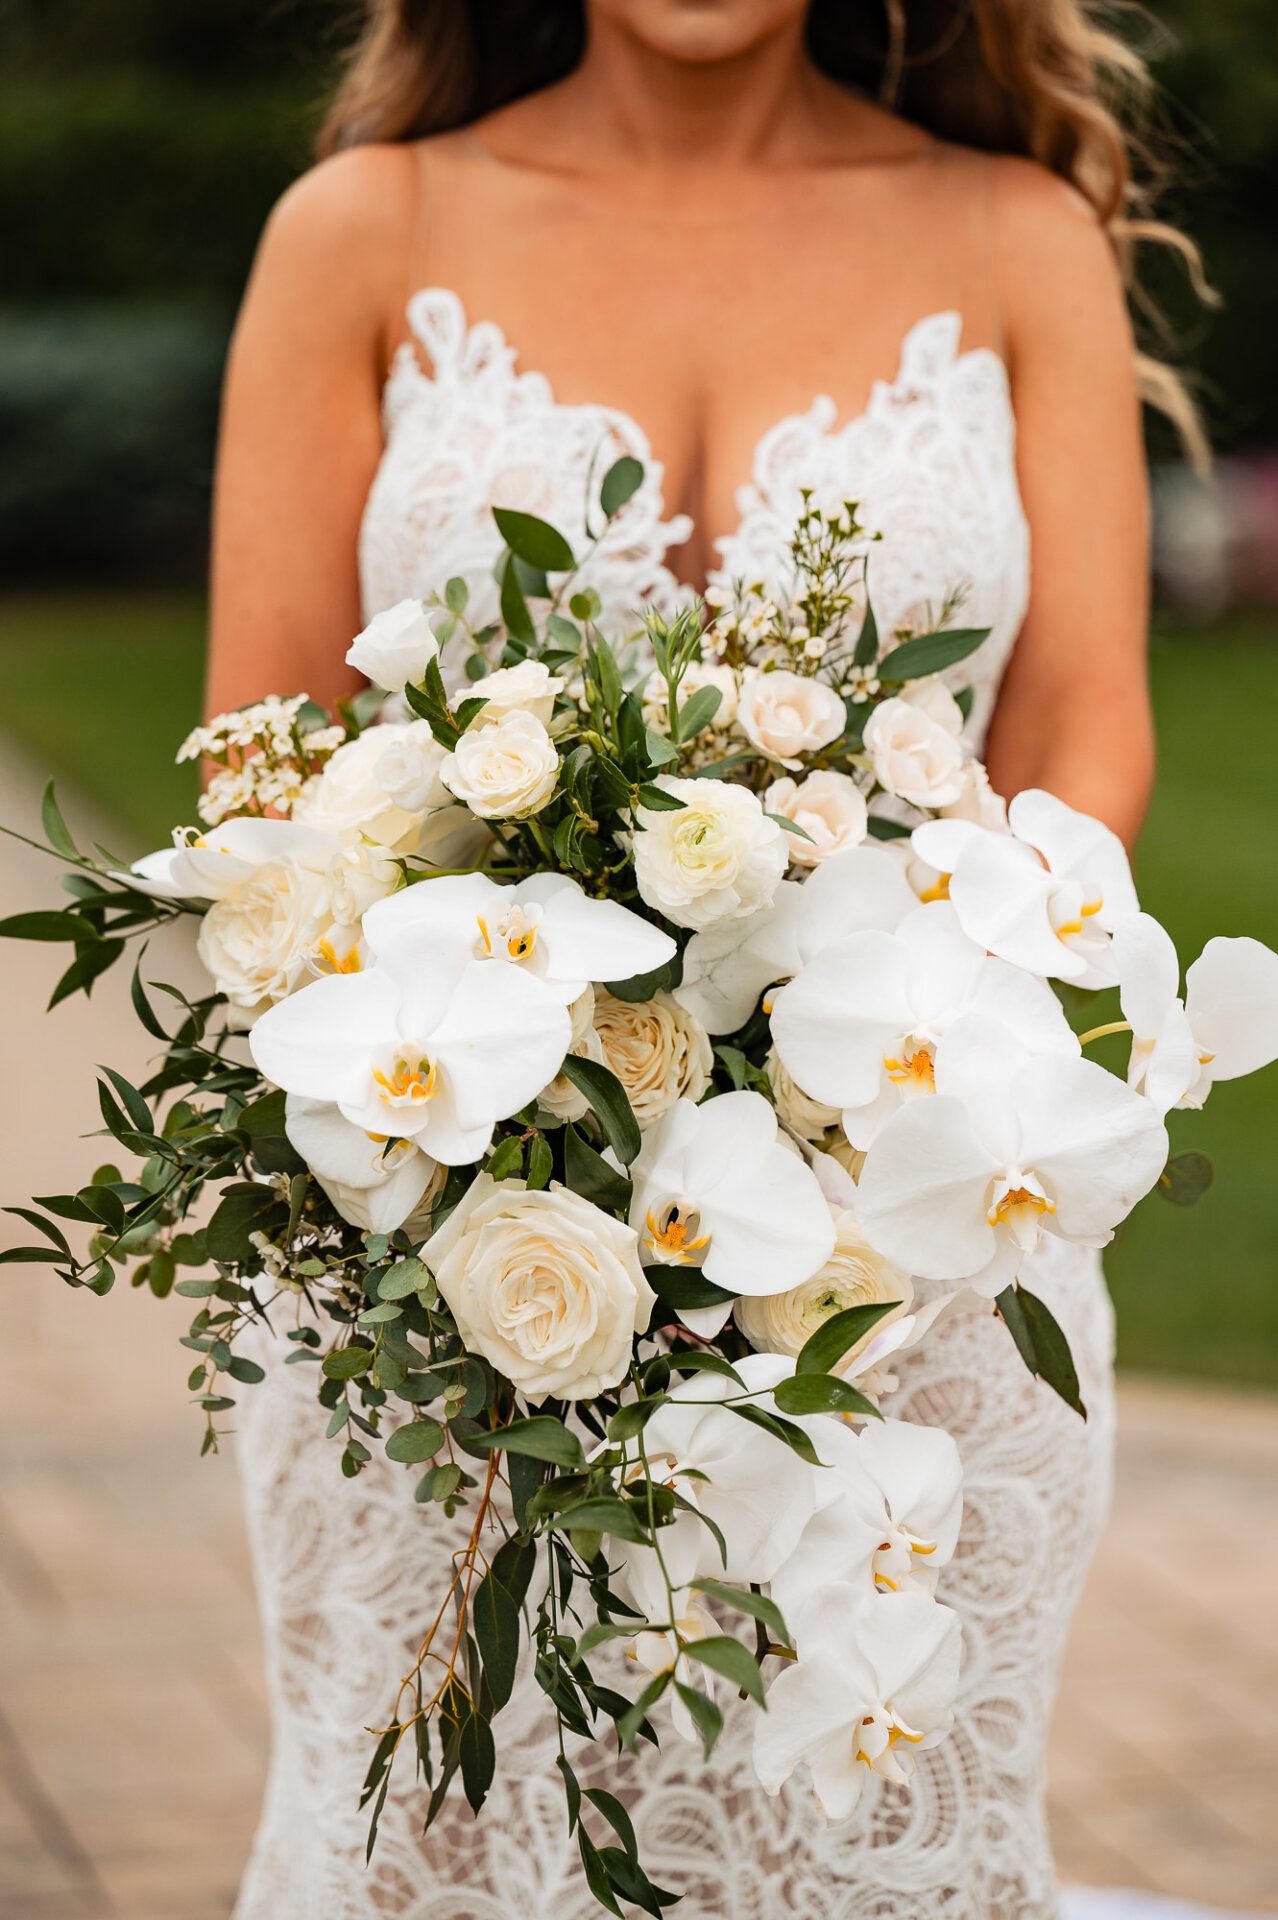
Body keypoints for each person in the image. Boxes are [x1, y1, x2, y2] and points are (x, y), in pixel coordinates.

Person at [209, 4, 1206, 1915]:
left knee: (862, 1833)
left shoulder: (1017, 238)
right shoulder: (361, 230)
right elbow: (268, 755)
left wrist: (885, 1061)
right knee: (436, 1839)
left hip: (906, 1260)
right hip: (450, 1262)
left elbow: (1086, 735)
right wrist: (510, 1110)